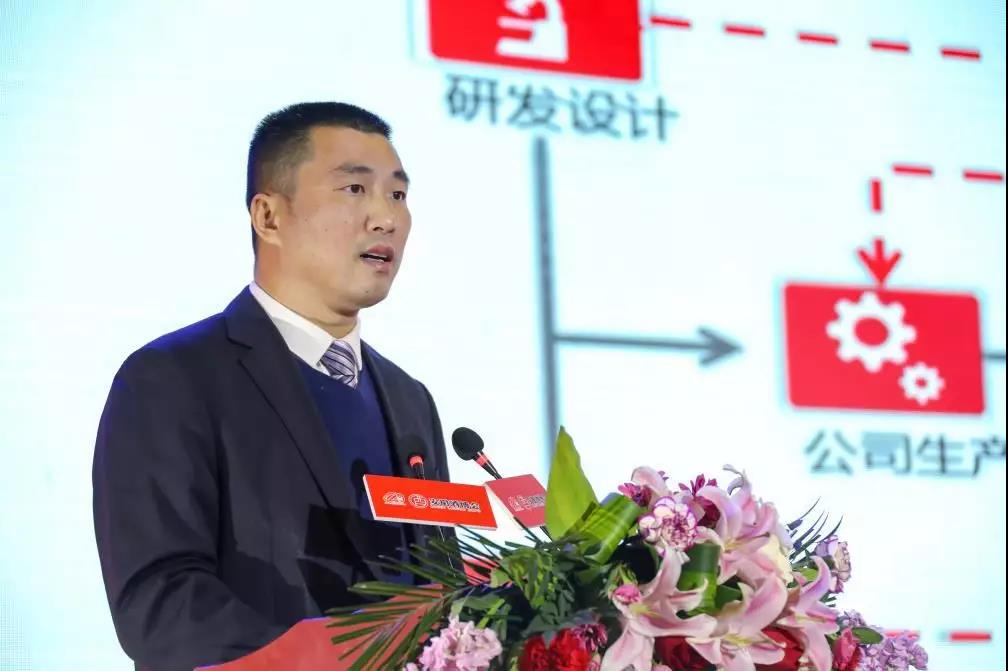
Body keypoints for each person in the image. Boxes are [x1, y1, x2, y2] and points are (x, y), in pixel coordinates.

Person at [92, 102, 451, 671]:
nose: (386, 217)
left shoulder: (410, 400)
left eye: (398, 194)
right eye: (355, 189)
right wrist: (331, 658)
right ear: (269, 217)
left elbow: (439, 593)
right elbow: (160, 603)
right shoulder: (173, 378)